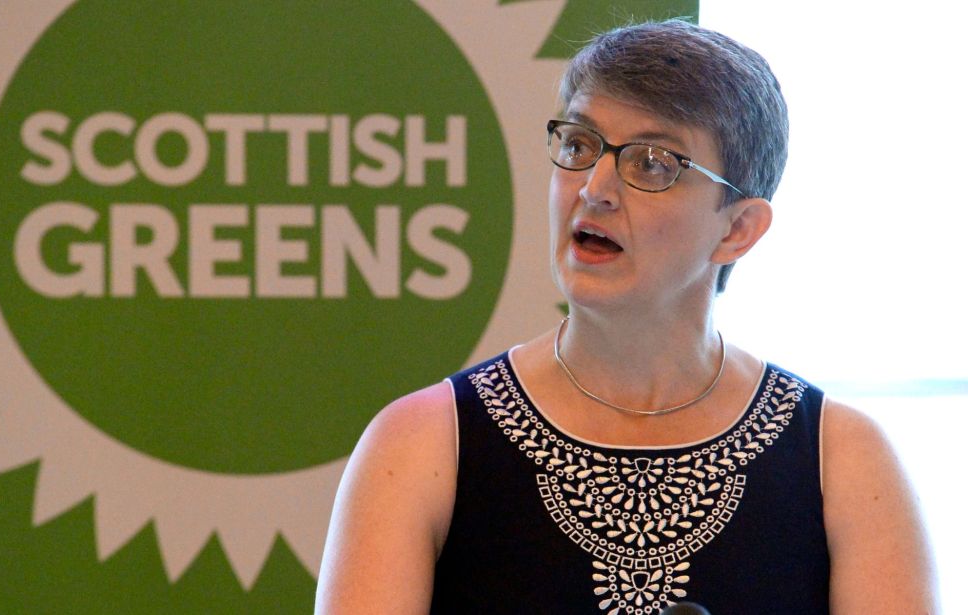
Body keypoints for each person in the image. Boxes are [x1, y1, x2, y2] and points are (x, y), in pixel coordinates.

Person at [314, 19, 937, 614]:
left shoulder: (844, 460)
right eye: (580, 145)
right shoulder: (422, 443)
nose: (595, 188)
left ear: (739, 228)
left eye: (652, 162)